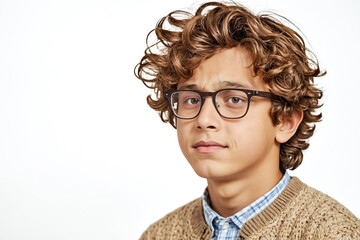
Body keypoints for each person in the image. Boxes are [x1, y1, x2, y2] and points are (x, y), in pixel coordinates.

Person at [134, 1, 360, 239]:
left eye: (234, 99)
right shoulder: (159, 235)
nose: (204, 119)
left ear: (286, 120)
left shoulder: (335, 233)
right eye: (191, 100)